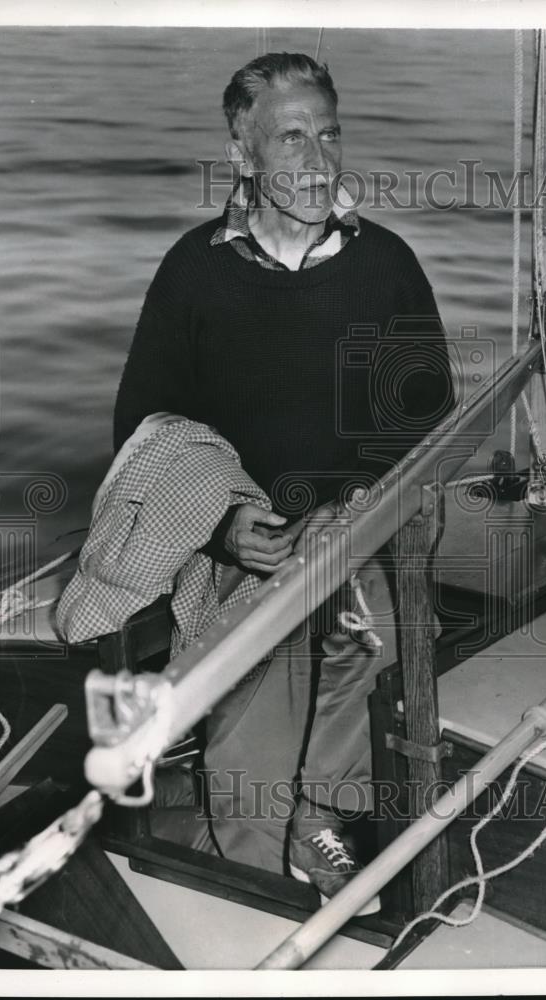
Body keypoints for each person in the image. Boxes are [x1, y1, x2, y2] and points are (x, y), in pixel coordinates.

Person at [113, 52, 454, 911]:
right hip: (235, 539)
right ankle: (248, 866)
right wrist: (227, 524)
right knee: (257, 683)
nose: (317, 158)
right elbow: (145, 430)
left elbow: (426, 422)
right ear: (242, 154)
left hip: (357, 530)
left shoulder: (386, 267)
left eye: (329, 133)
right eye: (291, 136)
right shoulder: (196, 269)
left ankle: (320, 816)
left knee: (375, 633)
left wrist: (354, 512)